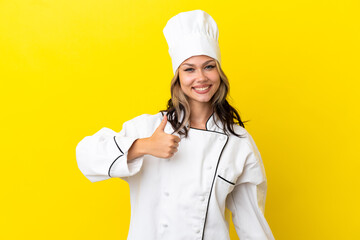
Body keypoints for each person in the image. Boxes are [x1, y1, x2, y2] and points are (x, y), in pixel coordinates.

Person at [76, 9, 275, 240]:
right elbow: (85, 155)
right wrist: (144, 146)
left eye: (209, 66)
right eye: (189, 69)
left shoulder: (237, 142)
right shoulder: (148, 128)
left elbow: (252, 225)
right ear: (177, 77)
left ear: (219, 72)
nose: (201, 77)